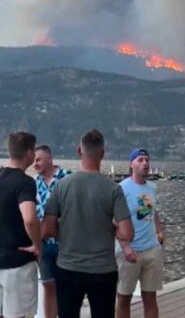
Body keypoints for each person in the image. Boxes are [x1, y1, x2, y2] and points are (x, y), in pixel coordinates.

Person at [43, 129, 133, 318]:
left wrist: (64, 230)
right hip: (103, 270)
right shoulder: (113, 189)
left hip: (68, 268)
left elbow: (47, 229)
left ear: (79, 151)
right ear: (103, 153)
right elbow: (127, 234)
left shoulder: (62, 186)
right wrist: (113, 228)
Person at [116, 149, 165, 318]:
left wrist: (159, 231)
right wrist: (124, 246)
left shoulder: (152, 187)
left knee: (150, 298)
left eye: (147, 160)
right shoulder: (121, 188)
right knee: (123, 298)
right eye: (141, 160)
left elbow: (153, 211)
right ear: (132, 164)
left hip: (152, 249)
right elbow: (113, 220)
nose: (145, 163)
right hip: (130, 251)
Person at [0, 132, 40, 318]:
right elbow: (30, 218)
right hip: (18, 263)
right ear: (30, 153)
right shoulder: (25, 183)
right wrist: (37, 244)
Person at [33, 145, 72, 318]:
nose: (35, 163)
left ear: (49, 159)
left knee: (67, 287)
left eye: (38, 159)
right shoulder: (34, 183)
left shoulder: (68, 178)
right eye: (33, 160)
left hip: (65, 243)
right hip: (43, 243)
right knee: (48, 285)